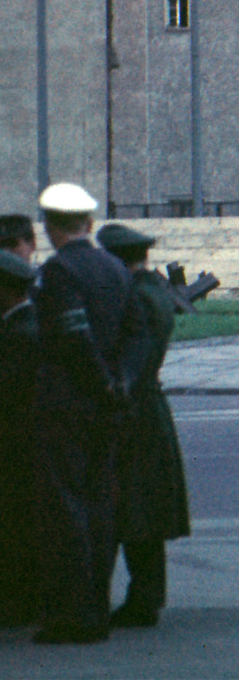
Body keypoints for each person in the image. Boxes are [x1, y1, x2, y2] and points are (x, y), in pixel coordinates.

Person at [32, 183, 131, 644]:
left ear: (51, 228)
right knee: (99, 505)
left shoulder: (58, 270)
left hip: (68, 401)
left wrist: (100, 382)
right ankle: (98, 606)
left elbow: (73, 335)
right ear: (88, 224)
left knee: (65, 508)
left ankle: (75, 614)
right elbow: (138, 333)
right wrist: (119, 383)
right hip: (107, 404)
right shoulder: (114, 267)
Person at [97, 223, 190, 629]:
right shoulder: (154, 290)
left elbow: (130, 354)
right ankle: (145, 597)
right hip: (148, 406)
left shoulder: (135, 297)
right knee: (143, 509)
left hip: (134, 409)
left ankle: (141, 600)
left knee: (130, 507)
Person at [0, 249, 40, 626]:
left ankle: (17, 604)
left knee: (15, 528)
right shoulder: (20, 326)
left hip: (17, 447)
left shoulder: (21, 333)